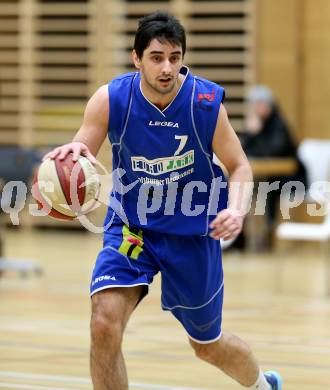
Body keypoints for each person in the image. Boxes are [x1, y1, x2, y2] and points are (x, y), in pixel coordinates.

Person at [44, 12, 282, 390]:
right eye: (156, 57)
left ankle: (262, 385)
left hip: (192, 232)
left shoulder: (204, 104)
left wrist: (235, 209)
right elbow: (80, 158)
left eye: (175, 56)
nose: (167, 67)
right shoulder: (111, 99)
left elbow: (239, 167)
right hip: (133, 229)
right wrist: (65, 173)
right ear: (136, 58)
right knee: (104, 322)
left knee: (207, 345)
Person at [241, 85, 307, 228]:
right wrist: (251, 134)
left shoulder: (279, 125)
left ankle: (269, 232)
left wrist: (256, 133)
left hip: (291, 177)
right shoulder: (257, 124)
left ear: (268, 105)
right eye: (253, 105)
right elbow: (245, 151)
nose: (256, 108)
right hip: (268, 176)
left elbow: (272, 152)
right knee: (240, 185)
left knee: (267, 187)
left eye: (259, 104)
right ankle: (242, 236)